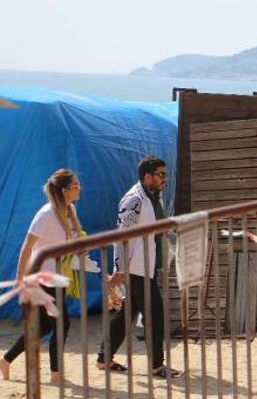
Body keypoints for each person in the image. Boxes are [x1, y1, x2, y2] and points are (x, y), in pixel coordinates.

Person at [96, 155, 181, 378]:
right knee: (155, 314)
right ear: (147, 177)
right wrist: (120, 268)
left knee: (126, 315)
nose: (165, 179)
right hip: (136, 268)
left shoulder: (153, 197)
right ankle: (156, 365)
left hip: (147, 265)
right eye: (161, 175)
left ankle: (104, 358)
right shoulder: (134, 200)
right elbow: (120, 236)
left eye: (165, 175)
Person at [1, 169, 83, 382]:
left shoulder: (71, 209)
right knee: (61, 323)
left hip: (59, 276)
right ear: (65, 190)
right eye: (76, 185)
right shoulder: (46, 214)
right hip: (39, 277)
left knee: (47, 325)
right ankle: (56, 375)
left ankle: (7, 359)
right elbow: (27, 246)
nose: (79, 187)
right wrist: (20, 277)